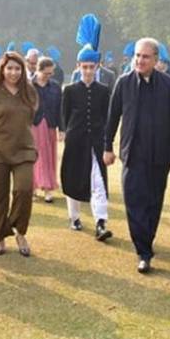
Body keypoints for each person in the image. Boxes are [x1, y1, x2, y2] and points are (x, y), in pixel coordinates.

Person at [104, 38, 170, 273]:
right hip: (133, 154)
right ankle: (143, 251)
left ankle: (147, 240)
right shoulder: (123, 83)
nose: (140, 60)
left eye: (145, 56)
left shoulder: (168, 85)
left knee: (153, 202)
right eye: (137, 56)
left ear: (156, 60)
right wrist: (107, 146)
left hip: (160, 155)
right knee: (134, 201)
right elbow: (113, 117)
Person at [0, 51, 37, 257]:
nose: (13, 72)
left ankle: (19, 231)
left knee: (24, 190)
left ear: (23, 70)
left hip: (24, 148)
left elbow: (31, 117)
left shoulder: (29, 92)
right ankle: (0, 238)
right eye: (9, 68)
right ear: (2, 70)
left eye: (17, 68)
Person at [62, 14, 113, 241]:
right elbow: (64, 116)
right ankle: (74, 217)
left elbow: (107, 116)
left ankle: (101, 223)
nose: (89, 71)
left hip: (97, 141)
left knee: (99, 181)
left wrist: (106, 141)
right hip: (75, 140)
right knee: (73, 178)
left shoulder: (103, 90)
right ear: (78, 66)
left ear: (97, 66)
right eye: (85, 67)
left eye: (92, 67)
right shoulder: (70, 90)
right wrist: (64, 133)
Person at [31, 57, 61, 203]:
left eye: (51, 73)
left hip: (50, 125)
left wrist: (62, 129)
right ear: (38, 70)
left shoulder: (55, 87)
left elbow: (60, 109)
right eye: (46, 73)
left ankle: (48, 188)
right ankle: (33, 187)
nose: (49, 76)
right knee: (34, 157)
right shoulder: (28, 86)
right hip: (33, 126)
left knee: (49, 157)